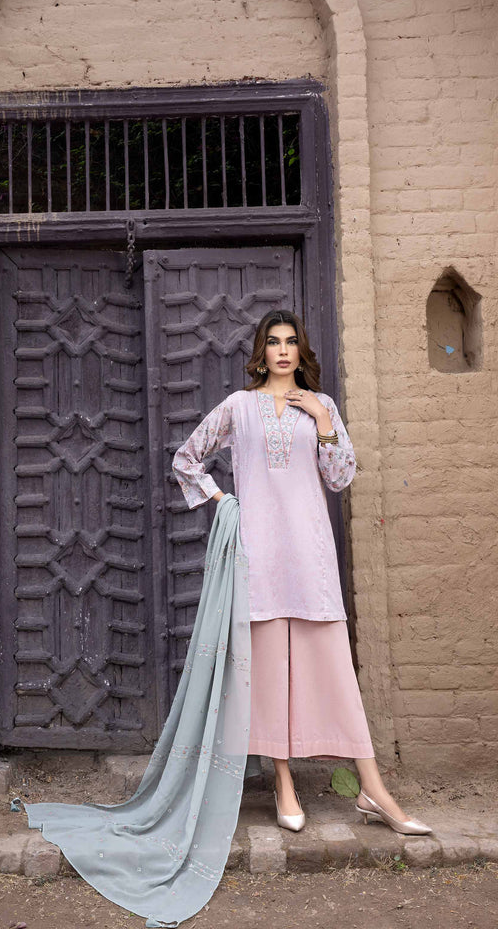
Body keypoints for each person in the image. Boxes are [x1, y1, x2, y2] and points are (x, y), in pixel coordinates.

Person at [171, 309, 431, 836]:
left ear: (300, 350)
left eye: (291, 342)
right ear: (261, 352)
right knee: (269, 675)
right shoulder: (239, 407)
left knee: (334, 672)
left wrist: (322, 420)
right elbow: (187, 458)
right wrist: (225, 502)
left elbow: (339, 478)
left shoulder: (321, 405)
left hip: (310, 557)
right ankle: (283, 782)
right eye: (274, 342)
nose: (283, 350)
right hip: (260, 557)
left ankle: (373, 790)